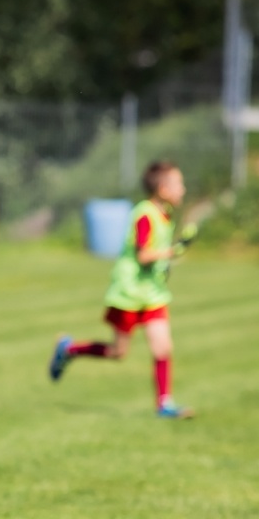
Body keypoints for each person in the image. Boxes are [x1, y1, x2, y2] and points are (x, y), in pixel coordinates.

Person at [49, 160, 197, 418]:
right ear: (162, 189)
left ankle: (164, 404)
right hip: (128, 293)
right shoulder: (145, 214)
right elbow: (143, 255)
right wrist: (172, 251)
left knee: (163, 347)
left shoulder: (165, 215)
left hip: (152, 294)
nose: (183, 189)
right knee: (118, 352)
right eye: (178, 184)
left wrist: (168, 259)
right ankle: (69, 349)